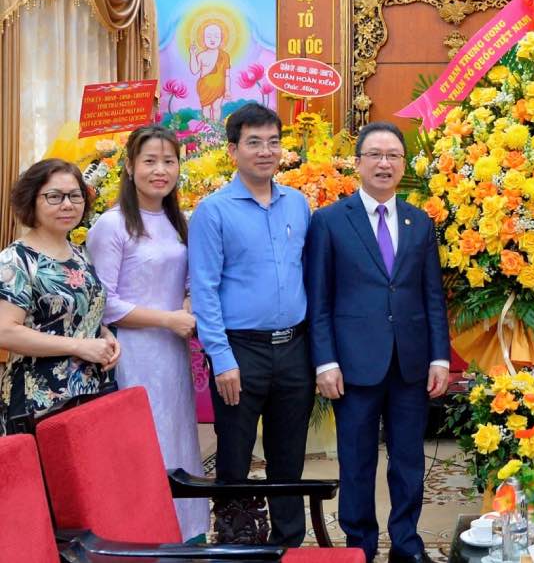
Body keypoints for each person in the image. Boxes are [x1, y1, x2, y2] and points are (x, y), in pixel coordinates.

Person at [305, 121, 450, 563]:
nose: (384, 164)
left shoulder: (419, 221)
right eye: (375, 155)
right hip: (354, 365)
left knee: (409, 462)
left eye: (393, 156)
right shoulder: (330, 221)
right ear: (359, 163)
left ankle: (407, 544)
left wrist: (440, 356)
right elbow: (319, 298)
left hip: (410, 364)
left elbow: (431, 295)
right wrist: (325, 362)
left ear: (403, 164)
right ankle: (359, 547)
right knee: (357, 462)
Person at [188, 103, 313, 546]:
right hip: (241, 351)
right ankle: (234, 544)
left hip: (295, 348)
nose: (266, 151)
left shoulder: (298, 204)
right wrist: (222, 360)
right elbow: (203, 291)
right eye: (254, 142)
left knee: (289, 456)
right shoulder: (213, 211)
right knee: (235, 456)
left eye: (274, 142)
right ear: (233, 149)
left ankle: (289, 544)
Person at [85, 126, 208, 541]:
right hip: (133, 351)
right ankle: (141, 535)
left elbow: (189, 281)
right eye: (150, 161)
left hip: (173, 352)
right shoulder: (113, 224)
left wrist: (187, 307)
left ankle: (186, 533)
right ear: (129, 166)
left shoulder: (180, 221)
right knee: (143, 441)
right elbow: (105, 300)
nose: (160, 170)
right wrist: (168, 319)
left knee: (177, 436)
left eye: (169, 161)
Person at [0, 159, 120, 432]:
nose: (67, 204)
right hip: (39, 401)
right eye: (54, 196)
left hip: (88, 393)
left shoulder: (79, 254)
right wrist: (78, 346)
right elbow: (5, 332)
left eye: (75, 195)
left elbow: (78, 314)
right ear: (31, 200)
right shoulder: (16, 261)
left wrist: (104, 335)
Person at [189, 20, 231, 121]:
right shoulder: (202, 55)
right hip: (204, 88)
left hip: (219, 88)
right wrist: (192, 55)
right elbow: (194, 70)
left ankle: (216, 129)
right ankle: (207, 130)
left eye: (216, 36)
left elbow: (227, 75)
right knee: (206, 108)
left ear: (221, 39)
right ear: (203, 39)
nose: (212, 39)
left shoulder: (224, 56)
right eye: (208, 36)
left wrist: (227, 89)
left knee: (216, 108)